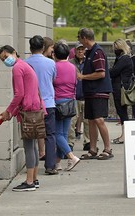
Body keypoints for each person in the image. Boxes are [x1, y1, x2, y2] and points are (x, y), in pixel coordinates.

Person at [0, 45, 45, 191]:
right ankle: (34, 179)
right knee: (34, 146)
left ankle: (29, 182)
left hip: (27, 111)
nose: (6, 60)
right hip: (35, 108)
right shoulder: (26, 65)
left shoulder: (17, 68)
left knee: (28, 146)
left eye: (6, 57)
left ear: (14, 52)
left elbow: (19, 94)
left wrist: (8, 112)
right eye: (3, 59)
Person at [77, 28, 114, 160]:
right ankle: (93, 149)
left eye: (79, 38)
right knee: (91, 120)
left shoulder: (97, 52)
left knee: (99, 120)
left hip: (99, 91)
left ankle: (107, 149)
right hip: (90, 92)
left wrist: (83, 76)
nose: (79, 40)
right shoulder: (89, 52)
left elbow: (101, 73)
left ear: (85, 38)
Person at [26, 35, 58, 175]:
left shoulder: (25, 63)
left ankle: (33, 167)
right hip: (49, 103)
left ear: (30, 48)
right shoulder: (51, 63)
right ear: (43, 48)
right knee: (50, 135)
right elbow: (53, 79)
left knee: (31, 136)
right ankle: (50, 166)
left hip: (32, 105)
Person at [53, 41, 80, 171]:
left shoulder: (54, 66)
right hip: (70, 101)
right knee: (63, 134)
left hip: (58, 102)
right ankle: (57, 163)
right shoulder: (72, 67)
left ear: (55, 55)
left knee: (57, 134)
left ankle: (71, 157)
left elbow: (51, 83)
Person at [68, 42, 92, 151]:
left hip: (86, 95)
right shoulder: (70, 63)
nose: (80, 52)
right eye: (78, 50)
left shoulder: (89, 62)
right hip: (75, 96)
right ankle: (70, 142)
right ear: (75, 51)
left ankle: (88, 141)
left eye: (82, 50)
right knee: (72, 121)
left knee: (87, 120)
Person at [109, 39, 133, 144]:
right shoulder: (123, 58)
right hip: (120, 87)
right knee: (121, 111)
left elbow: (114, 71)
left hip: (120, 88)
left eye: (116, 48)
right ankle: (124, 134)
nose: (114, 50)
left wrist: (105, 70)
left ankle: (125, 135)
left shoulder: (124, 59)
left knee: (122, 111)